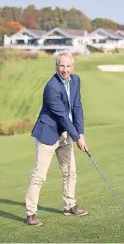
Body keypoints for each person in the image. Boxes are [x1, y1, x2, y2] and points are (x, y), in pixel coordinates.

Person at [25, 50, 88, 226]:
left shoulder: (75, 80)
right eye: (62, 65)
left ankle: (70, 206)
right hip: (48, 134)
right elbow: (61, 116)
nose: (65, 69)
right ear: (56, 66)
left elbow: (77, 107)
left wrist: (80, 132)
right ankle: (31, 213)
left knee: (70, 172)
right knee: (39, 175)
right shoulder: (51, 87)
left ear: (72, 67)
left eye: (68, 66)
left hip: (65, 134)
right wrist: (78, 138)